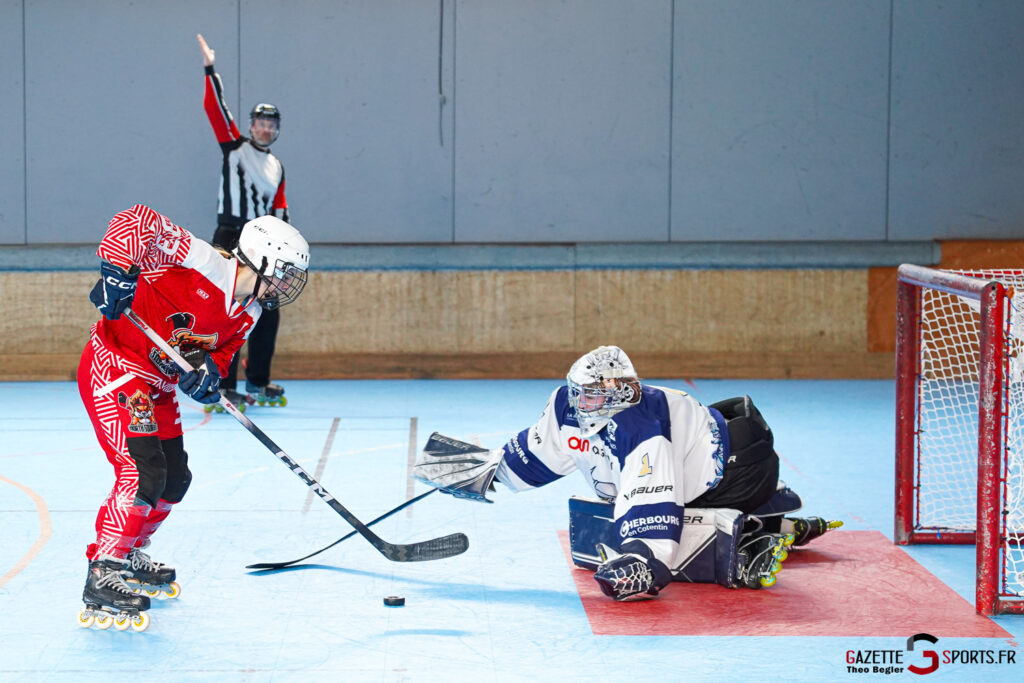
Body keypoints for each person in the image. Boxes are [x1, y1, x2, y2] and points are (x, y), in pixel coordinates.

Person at [413, 345, 841, 601]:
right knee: (603, 521)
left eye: (594, 394)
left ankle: (748, 535)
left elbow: (651, 498)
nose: (581, 402)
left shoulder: (641, 426)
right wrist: (489, 470)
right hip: (726, 452)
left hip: (743, 469)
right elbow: (540, 452)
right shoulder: (569, 403)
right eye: (578, 391)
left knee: (640, 527)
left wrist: (646, 562)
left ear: (620, 392)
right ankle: (770, 512)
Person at [77, 204, 309, 630]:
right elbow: (134, 220)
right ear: (260, 258)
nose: (284, 284)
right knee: (141, 472)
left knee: (175, 480)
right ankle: (102, 570)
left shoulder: (250, 313)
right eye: (283, 272)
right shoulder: (200, 259)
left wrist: (208, 376)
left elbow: (217, 358)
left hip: (157, 388)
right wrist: (117, 271)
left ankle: (128, 552)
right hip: (117, 367)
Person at [197, 33, 291, 407]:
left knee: (268, 311)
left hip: (264, 243)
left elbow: (282, 210)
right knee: (229, 310)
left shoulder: (277, 166)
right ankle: (221, 383)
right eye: (260, 122)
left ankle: (258, 380)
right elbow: (215, 110)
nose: (265, 128)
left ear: (276, 129)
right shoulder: (235, 147)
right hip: (230, 235)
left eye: (272, 124)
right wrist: (210, 68)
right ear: (251, 125)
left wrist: (285, 253)